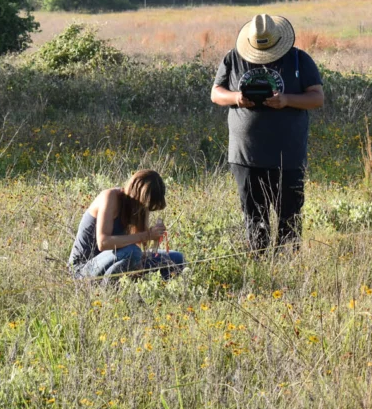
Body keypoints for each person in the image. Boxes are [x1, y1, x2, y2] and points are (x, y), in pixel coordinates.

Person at [211, 14, 324, 253]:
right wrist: (237, 99)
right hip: (246, 156)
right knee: (254, 219)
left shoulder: (298, 59)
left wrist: (286, 100)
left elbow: (317, 97)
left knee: (289, 219)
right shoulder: (233, 57)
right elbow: (216, 93)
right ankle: (259, 264)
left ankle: (288, 268)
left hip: (288, 156)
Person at [68, 169, 185, 279]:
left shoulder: (139, 205)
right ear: (140, 195)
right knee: (132, 251)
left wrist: (154, 235)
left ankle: (154, 290)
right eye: (147, 205)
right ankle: (107, 290)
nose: (147, 209)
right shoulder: (110, 197)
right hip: (83, 268)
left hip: (119, 258)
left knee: (178, 258)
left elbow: (141, 244)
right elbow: (103, 242)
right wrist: (147, 235)